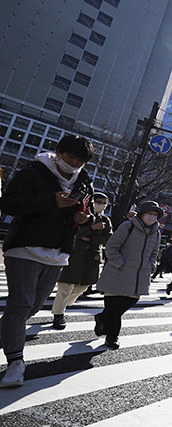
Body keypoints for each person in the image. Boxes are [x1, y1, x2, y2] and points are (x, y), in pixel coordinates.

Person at [0, 134, 95, 387]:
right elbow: (8, 203)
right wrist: (50, 200)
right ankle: (15, 363)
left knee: (32, 308)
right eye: (70, 157)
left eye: (79, 160)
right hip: (24, 248)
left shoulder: (85, 182)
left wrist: (85, 220)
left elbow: (88, 215)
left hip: (59, 253)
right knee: (20, 305)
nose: (73, 163)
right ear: (58, 152)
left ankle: (8, 334)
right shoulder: (33, 172)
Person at [93, 201, 162, 349]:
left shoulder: (156, 233)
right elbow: (111, 246)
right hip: (118, 274)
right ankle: (112, 336)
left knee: (127, 304)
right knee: (114, 308)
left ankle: (102, 318)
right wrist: (121, 264)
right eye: (149, 213)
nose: (152, 217)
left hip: (138, 277)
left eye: (155, 215)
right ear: (142, 214)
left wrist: (151, 265)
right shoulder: (128, 226)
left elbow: (154, 253)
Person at [50, 192, 112, 330]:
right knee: (65, 286)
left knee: (84, 286)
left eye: (104, 202)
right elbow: (72, 232)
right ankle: (58, 315)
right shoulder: (79, 214)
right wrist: (91, 228)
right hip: (74, 255)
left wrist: (90, 239)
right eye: (98, 201)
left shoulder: (106, 220)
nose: (101, 204)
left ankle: (64, 304)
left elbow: (108, 238)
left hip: (92, 258)